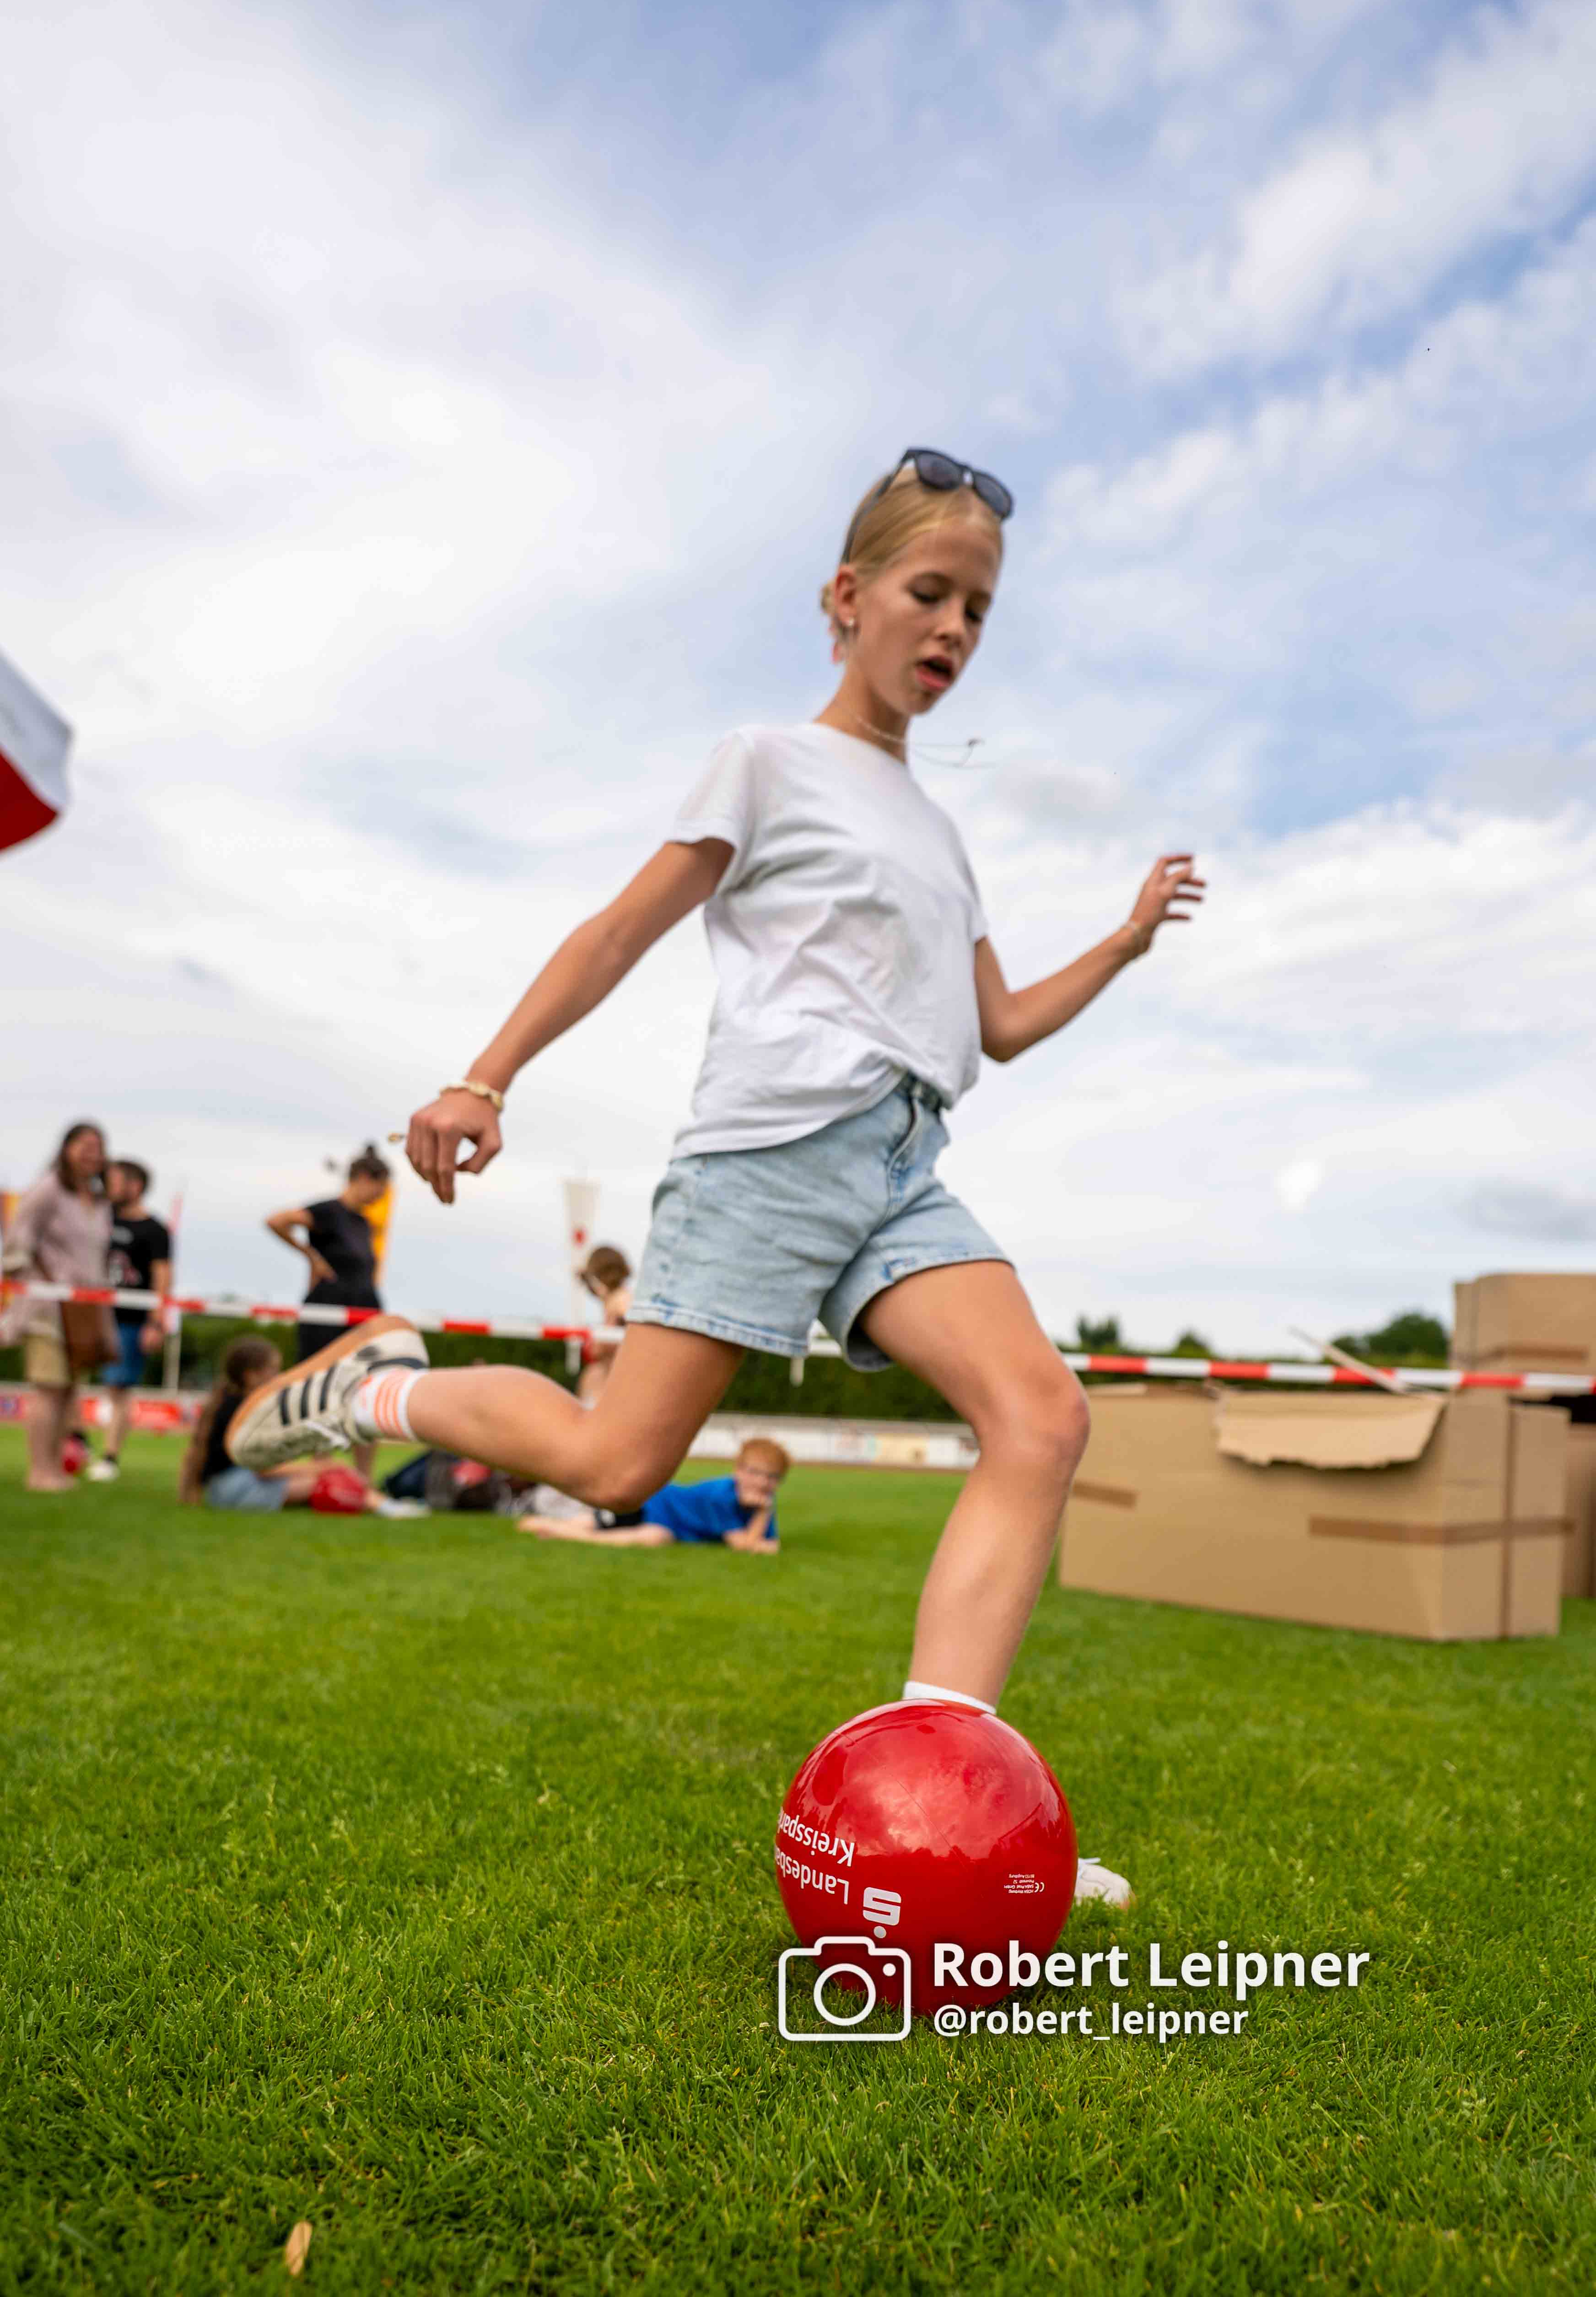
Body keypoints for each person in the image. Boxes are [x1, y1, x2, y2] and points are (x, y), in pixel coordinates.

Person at [227, 448, 1205, 1905]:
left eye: (977, 612)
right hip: (766, 1157)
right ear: (847, 595)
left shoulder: (939, 835)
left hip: (900, 1163)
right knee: (619, 1467)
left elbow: (992, 1028)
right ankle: (375, 1387)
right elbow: (620, 929)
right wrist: (483, 1076)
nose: (950, 632)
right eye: (927, 594)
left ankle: (954, 1810)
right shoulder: (767, 760)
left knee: (1040, 1417)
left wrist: (1121, 945)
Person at [178, 1336, 422, 1515]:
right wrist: (322, 1467)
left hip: (224, 1490)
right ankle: (387, 1507)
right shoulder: (244, 1412)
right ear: (251, 1376)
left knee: (327, 1474)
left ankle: (384, 1505)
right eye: (273, 1370)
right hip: (237, 1489)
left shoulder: (227, 1403)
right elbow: (265, 1470)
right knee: (327, 1481)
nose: (280, 1375)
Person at [264, 1145, 390, 1481]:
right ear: (364, 1178)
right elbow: (276, 1221)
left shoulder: (365, 1223)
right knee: (322, 1392)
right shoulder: (328, 1212)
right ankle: (320, 1472)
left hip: (364, 1312)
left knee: (367, 1391)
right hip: (328, 1310)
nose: (381, 1196)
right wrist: (310, 1256)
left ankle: (363, 1480)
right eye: (381, 1188)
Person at [0, 1121, 113, 1491]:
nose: (90, 1152)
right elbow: (17, 1241)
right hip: (47, 1308)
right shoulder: (48, 1189)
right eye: (83, 1144)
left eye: (97, 1146)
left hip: (82, 1310)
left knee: (66, 1388)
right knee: (48, 1386)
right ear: (65, 1148)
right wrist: (36, 1283)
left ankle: (54, 1468)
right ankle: (40, 1471)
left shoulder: (97, 1199)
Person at [519, 1435, 786, 1549]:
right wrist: (763, 1514)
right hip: (655, 1502)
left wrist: (763, 1521)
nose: (762, 1483)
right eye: (754, 1473)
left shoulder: (760, 1501)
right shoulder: (723, 1495)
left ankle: (569, 1535)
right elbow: (747, 1545)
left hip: (672, 1528)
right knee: (600, 1522)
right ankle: (550, 1526)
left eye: (771, 1477)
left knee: (656, 1538)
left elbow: (767, 1543)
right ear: (738, 1471)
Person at [86, 1159, 172, 1483]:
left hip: (130, 1321)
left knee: (118, 1387)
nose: (107, 1186)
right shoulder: (98, 1218)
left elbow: (163, 1276)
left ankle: (109, 1457)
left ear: (135, 1186)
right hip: (90, 1313)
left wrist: (156, 1322)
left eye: (115, 1181)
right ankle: (77, 1442)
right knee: (68, 1378)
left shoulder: (155, 1230)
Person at [576, 1244, 632, 1402]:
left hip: (620, 1381)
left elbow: (601, 1348)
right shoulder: (618, 1300)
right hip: (617, 1378)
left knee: (594, 1376)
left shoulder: (620, 1302)